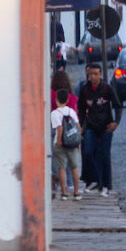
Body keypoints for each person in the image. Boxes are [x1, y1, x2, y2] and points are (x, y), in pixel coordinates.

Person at [76, 61, 120, 194]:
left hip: (106, 126)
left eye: (96, 74)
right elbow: (81, 109)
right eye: (91, 74)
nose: (93, 77)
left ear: (100, 74)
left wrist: (116, 122)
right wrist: (81, 126)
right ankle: (94, 180)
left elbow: (118, 105)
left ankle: (105, 185)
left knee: (104, 154)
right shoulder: (84, 90)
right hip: (90, 126)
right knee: (88, 151)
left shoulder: (107, 88)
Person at [48, 69, 81, 200]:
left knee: (57, 162)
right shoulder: (72, 98)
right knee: (72, 163)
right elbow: (76, 119)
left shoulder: (50, 95)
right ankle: (72, 186)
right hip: (70, 133)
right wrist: (78, 137)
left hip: (54, 130)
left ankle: (58, 186)